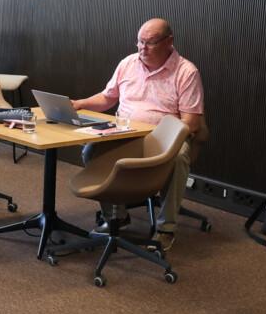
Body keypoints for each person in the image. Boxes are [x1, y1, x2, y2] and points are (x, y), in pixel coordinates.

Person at [71, 17, 204, 252]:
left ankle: (166, 228)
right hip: (126, 131)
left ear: (169, 42)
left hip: (163, 136)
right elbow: (107, 97)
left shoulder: (186, 72)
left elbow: (191, 123)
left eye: (150, 43)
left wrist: (165, 137)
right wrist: (79, 103)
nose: (143, 48)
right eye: (140, 42)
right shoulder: (128, 63)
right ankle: (117, 216)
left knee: (180, 156)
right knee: (91, 150)